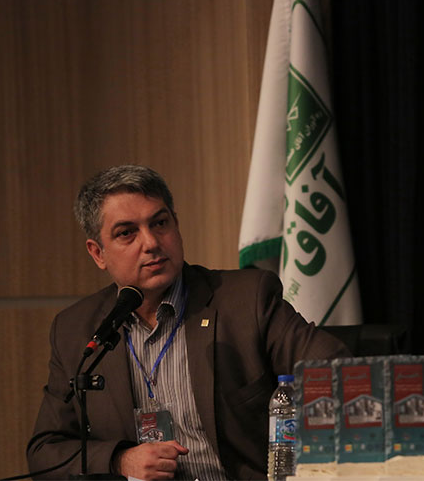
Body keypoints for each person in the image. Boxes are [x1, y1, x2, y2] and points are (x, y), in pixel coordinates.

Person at [27, 165, 350, 480]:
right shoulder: (77, 330)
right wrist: (119, 460)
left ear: (176, 225)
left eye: (160, 223)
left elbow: (339, 377)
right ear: (98, 253)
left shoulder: (246, 300)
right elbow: (45, 451)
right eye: (127, 233)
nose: (151, 243)